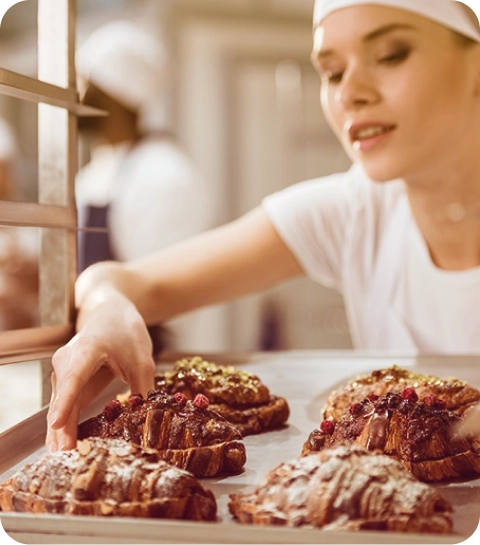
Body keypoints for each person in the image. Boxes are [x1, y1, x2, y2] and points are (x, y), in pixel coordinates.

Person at [46, 0, 480, 452]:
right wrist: (104, 310)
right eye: (332, 72)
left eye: (391, 55)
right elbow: (122, 281)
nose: (350, 93)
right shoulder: (352, 211)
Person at [75, 20, 216, 353]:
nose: (75, 96)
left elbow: (156, 293)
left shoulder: (165, 176)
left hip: (142, 354)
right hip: (97, 343)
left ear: (113, 95)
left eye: (83, 84)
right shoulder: (97, 169)